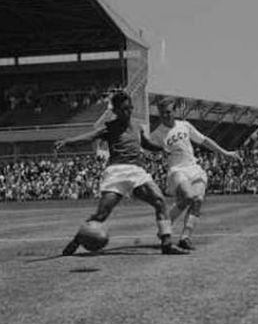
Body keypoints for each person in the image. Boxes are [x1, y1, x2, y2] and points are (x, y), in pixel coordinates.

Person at [55, 91, 188, 255]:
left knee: (159, 201)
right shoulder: (109, 127)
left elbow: (146, 144)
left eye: (130, 108)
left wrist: (162, 148)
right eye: (124, 108)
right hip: (116, 172)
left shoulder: (137, 126)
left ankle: (166, 244)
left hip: (137, 171)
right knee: (101, 214)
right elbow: (90, 137)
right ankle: (77, 241)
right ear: (116, 111)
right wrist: (68, 141)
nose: (128, 111)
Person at [148, 98, 242, 250]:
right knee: (188, 197)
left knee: (196, 200)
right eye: (162, 113)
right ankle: (166, 228)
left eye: (168, 112)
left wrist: (225, 153)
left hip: (194, 168)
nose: (165, 115)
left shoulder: (184, 125)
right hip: (177, 170)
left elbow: (204, 140)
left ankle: (185, 237)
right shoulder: (157, 134)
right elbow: (145, 149)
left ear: (174, 111)